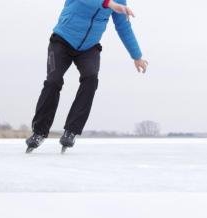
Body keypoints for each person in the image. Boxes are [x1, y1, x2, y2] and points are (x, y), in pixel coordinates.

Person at [26, 0, 148, 153]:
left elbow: (123, 27)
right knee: (53, 81)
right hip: (62, 41)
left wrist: (137, 56)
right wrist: (109, 4)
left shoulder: (119, 1)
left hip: (89, 47)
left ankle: (71, 131)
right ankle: (39, 132)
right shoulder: (113, 3)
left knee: (91, 79)